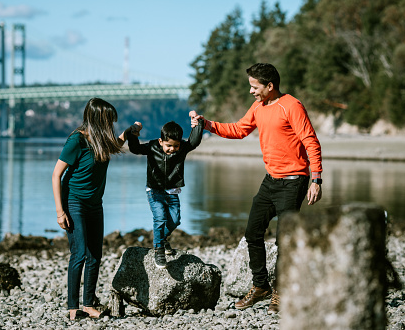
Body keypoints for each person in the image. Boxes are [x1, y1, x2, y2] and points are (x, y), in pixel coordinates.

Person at [192, 63, 323, 314]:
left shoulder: (292, 106)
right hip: (271, 180)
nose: (251, 91)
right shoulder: (259, 107)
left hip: (294, 181)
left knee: (286, 239)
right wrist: (207, 124)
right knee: (252, 233)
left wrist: (316, 179)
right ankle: (261, 286)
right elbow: (239, 130)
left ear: (270, 86)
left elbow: (310, 141)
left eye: (255, 87)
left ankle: (282, 292)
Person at [52, 97, 135, 320]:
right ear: (98, 119)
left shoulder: (102, 139)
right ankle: (72, 307)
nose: (112, 125)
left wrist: (127, 133)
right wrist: (60, 212)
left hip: (95, 204)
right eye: (109, 121)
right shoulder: (76, 141)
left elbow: (115, 145)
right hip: (74, 202)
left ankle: (88, 304)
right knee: (78, 254)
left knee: (95, 255)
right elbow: (56, 175)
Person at [125, 112, 204, 268]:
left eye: (176, 145)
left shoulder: (181, 148)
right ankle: (159, 250)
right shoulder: (152, 147)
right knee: (160, 218)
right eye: (169, 145)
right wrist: (133, 134)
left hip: (172, 190)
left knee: (175, 220)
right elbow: (134, 149)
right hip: (154, 190)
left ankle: (161, 239)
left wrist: (197, 124)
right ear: (161, 141)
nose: (172, 149)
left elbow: (194, 142)